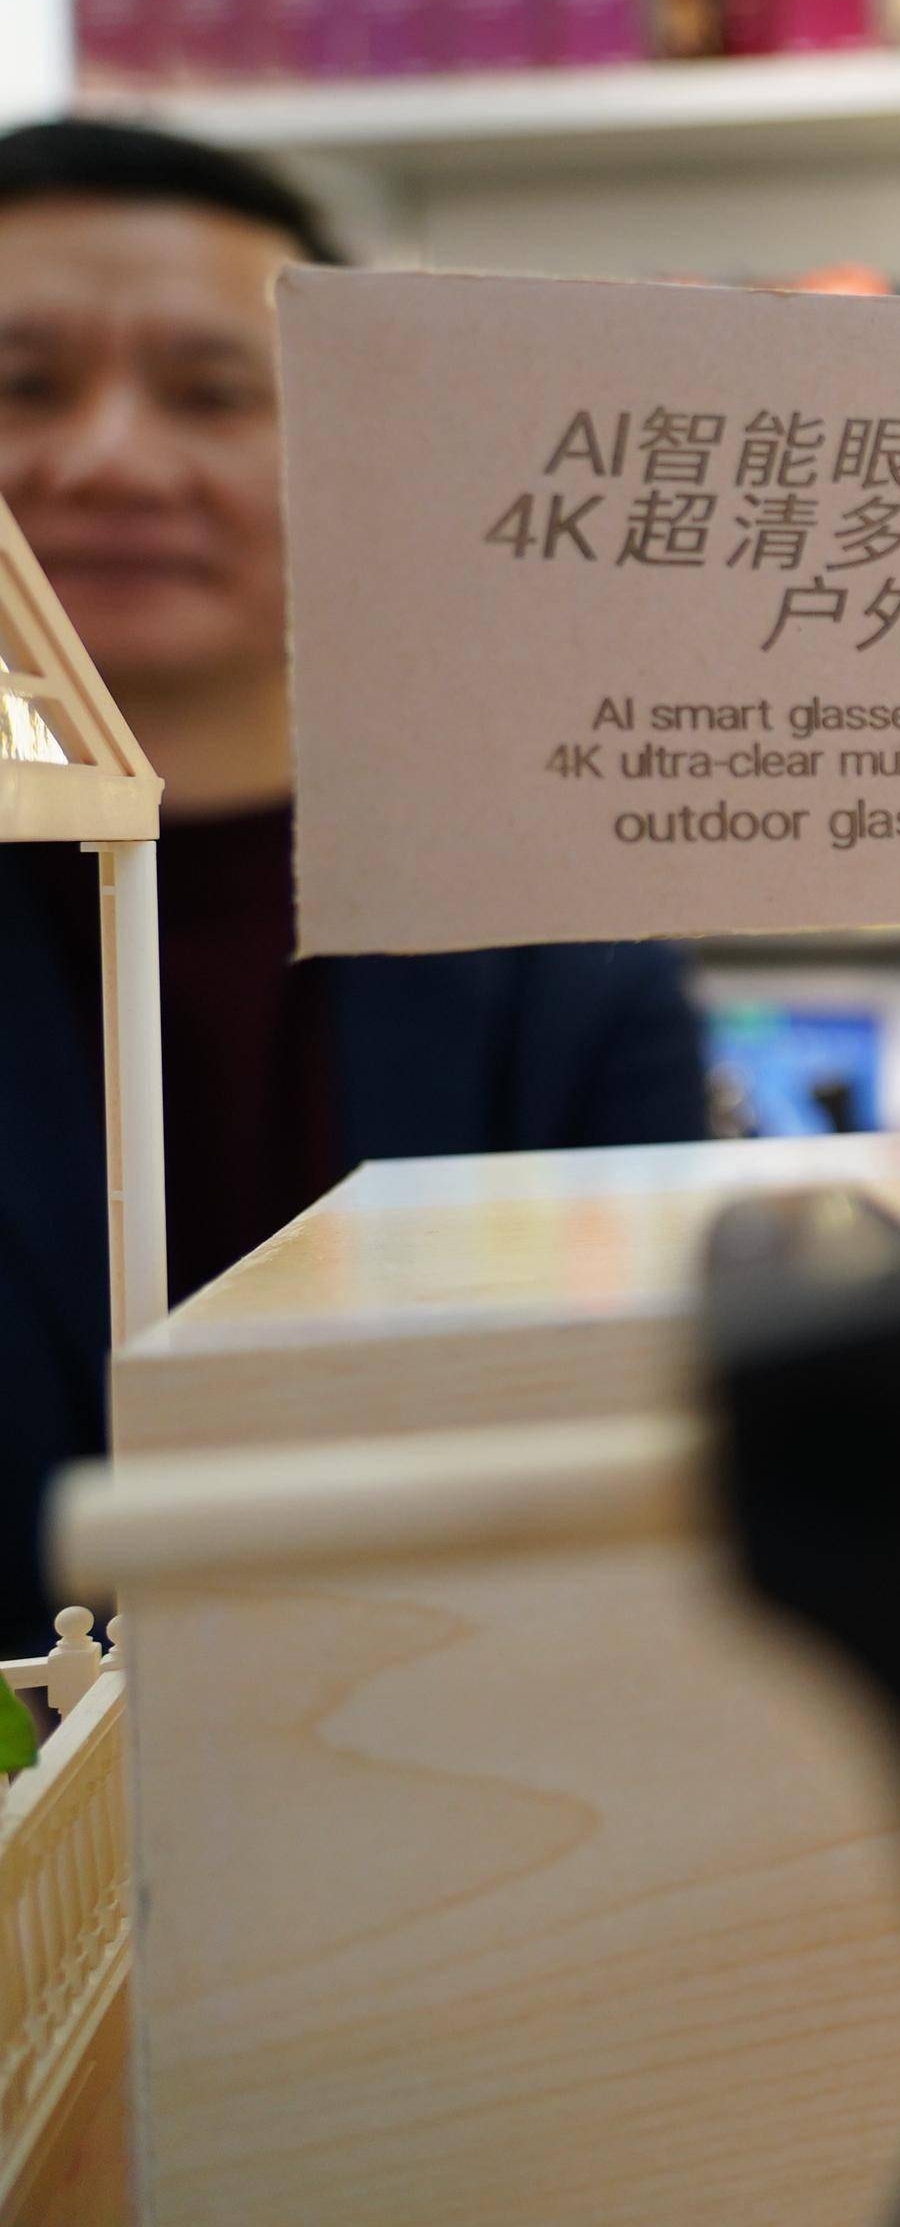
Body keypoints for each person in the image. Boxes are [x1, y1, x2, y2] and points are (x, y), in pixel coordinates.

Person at [0, 119, 708, 1639]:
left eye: (211, 393)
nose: (112, 460)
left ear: (355, 453)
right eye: (22, 385)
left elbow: (627, 1479)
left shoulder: (564, 954)